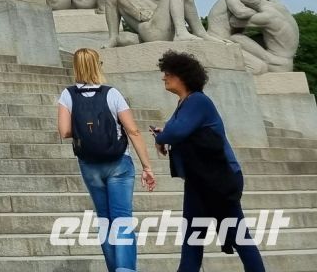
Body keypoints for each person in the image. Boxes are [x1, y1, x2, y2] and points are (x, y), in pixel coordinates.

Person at [151, 49, 267, 271]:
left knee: (237, 236)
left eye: (167, 72)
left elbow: (176, 131)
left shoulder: (198, 102)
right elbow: (175, 130)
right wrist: (164, 134)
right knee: (193, 239)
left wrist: (163, 137)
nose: (163, 77)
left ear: (181, 75)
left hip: (219, 181)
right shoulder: (186, 104)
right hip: (200, 181)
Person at [56, 48, 156, 272]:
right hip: (119, 162)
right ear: (97, 66)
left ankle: (114, 268)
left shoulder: (67, 95)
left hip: (89, 164)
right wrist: (147, 167)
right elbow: (133, 131)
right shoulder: (112, 93)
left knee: (105, 220)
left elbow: (63, 131)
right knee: (122, 219)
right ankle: (125, 269)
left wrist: (85, 129)